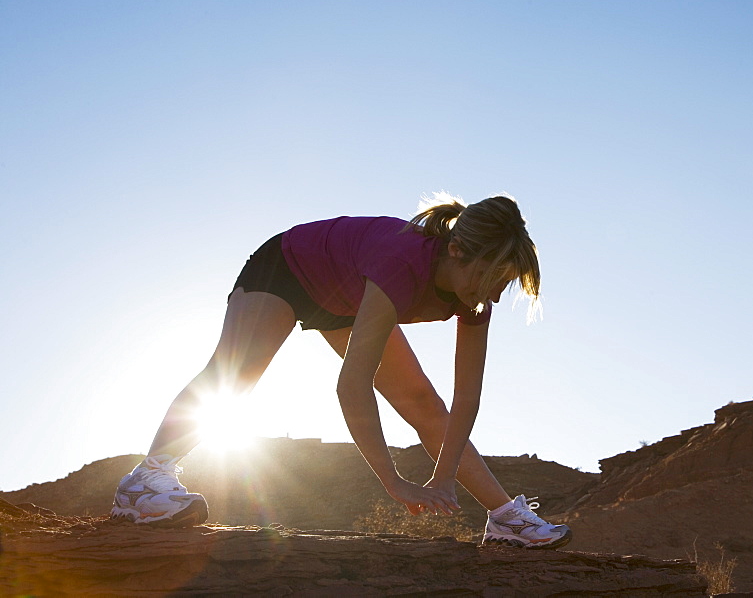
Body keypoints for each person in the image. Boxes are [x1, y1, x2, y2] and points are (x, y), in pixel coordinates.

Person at [110, 193, 571, 550]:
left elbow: (466, 397)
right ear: (455, 251)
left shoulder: (474, 295)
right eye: (489, 280)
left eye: (503, 285)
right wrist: (394, 482)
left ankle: (507, 521)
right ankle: (145, 481)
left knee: (422, 402)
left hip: (347, 298)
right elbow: (352, 385)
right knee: (235, 376)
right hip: (287, 267)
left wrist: (445, 475)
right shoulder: (402, 262)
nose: (491, 297)